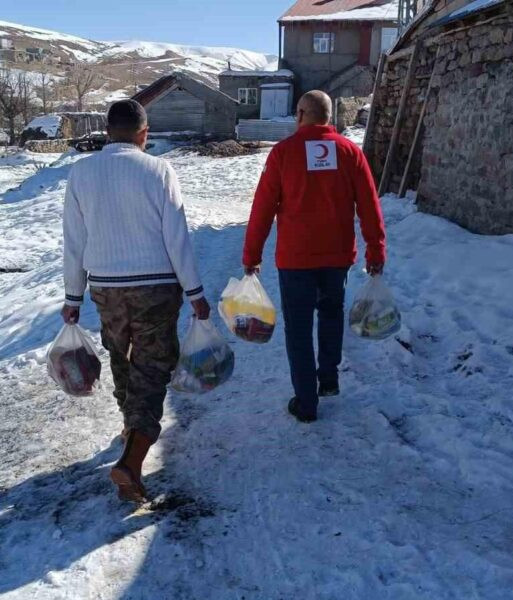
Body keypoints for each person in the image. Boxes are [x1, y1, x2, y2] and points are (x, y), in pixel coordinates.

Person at [61, 99, 210, 502]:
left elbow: (74, 243)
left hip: (105, 287)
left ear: (108, 131)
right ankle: (132, 460)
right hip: (157, 287)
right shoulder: (159, 170)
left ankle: (130, 425)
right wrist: (195, 292)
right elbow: (176, 236)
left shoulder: (81, 173)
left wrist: (72, 297)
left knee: (120, 352)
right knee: (154, 365)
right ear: (145, 133)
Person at [243, 90, 386, 424]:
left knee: (298, 328)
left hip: (295, 260)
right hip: (337, 258)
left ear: (301, 114)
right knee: (331, 314)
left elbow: (262, 208)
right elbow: (369, 205)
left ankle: (306, 400)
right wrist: (375, 250)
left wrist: (251, 255)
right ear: (329, 116)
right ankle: (329, 377)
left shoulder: (283, 153)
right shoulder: (351, 152)